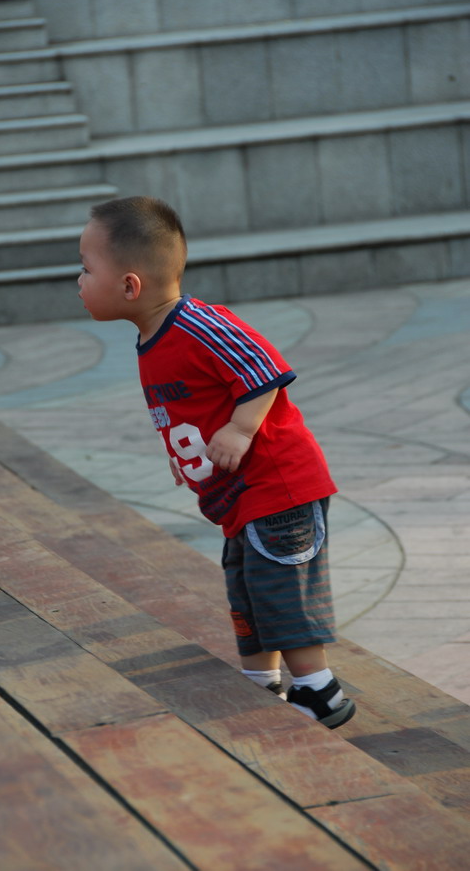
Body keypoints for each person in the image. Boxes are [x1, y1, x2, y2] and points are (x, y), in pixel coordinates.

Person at [78, 195, 356, 729]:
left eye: (87, 269)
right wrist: (187, 457)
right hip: (237, 496)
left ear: (130, 285)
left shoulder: (198, 324)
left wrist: (241, 427)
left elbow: (264, 368)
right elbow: (185, 410)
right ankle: (260, 682)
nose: (79, 281)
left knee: (279, 586)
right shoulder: (151, 339)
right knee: (246, 589)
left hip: (278, 485)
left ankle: (318, 691)